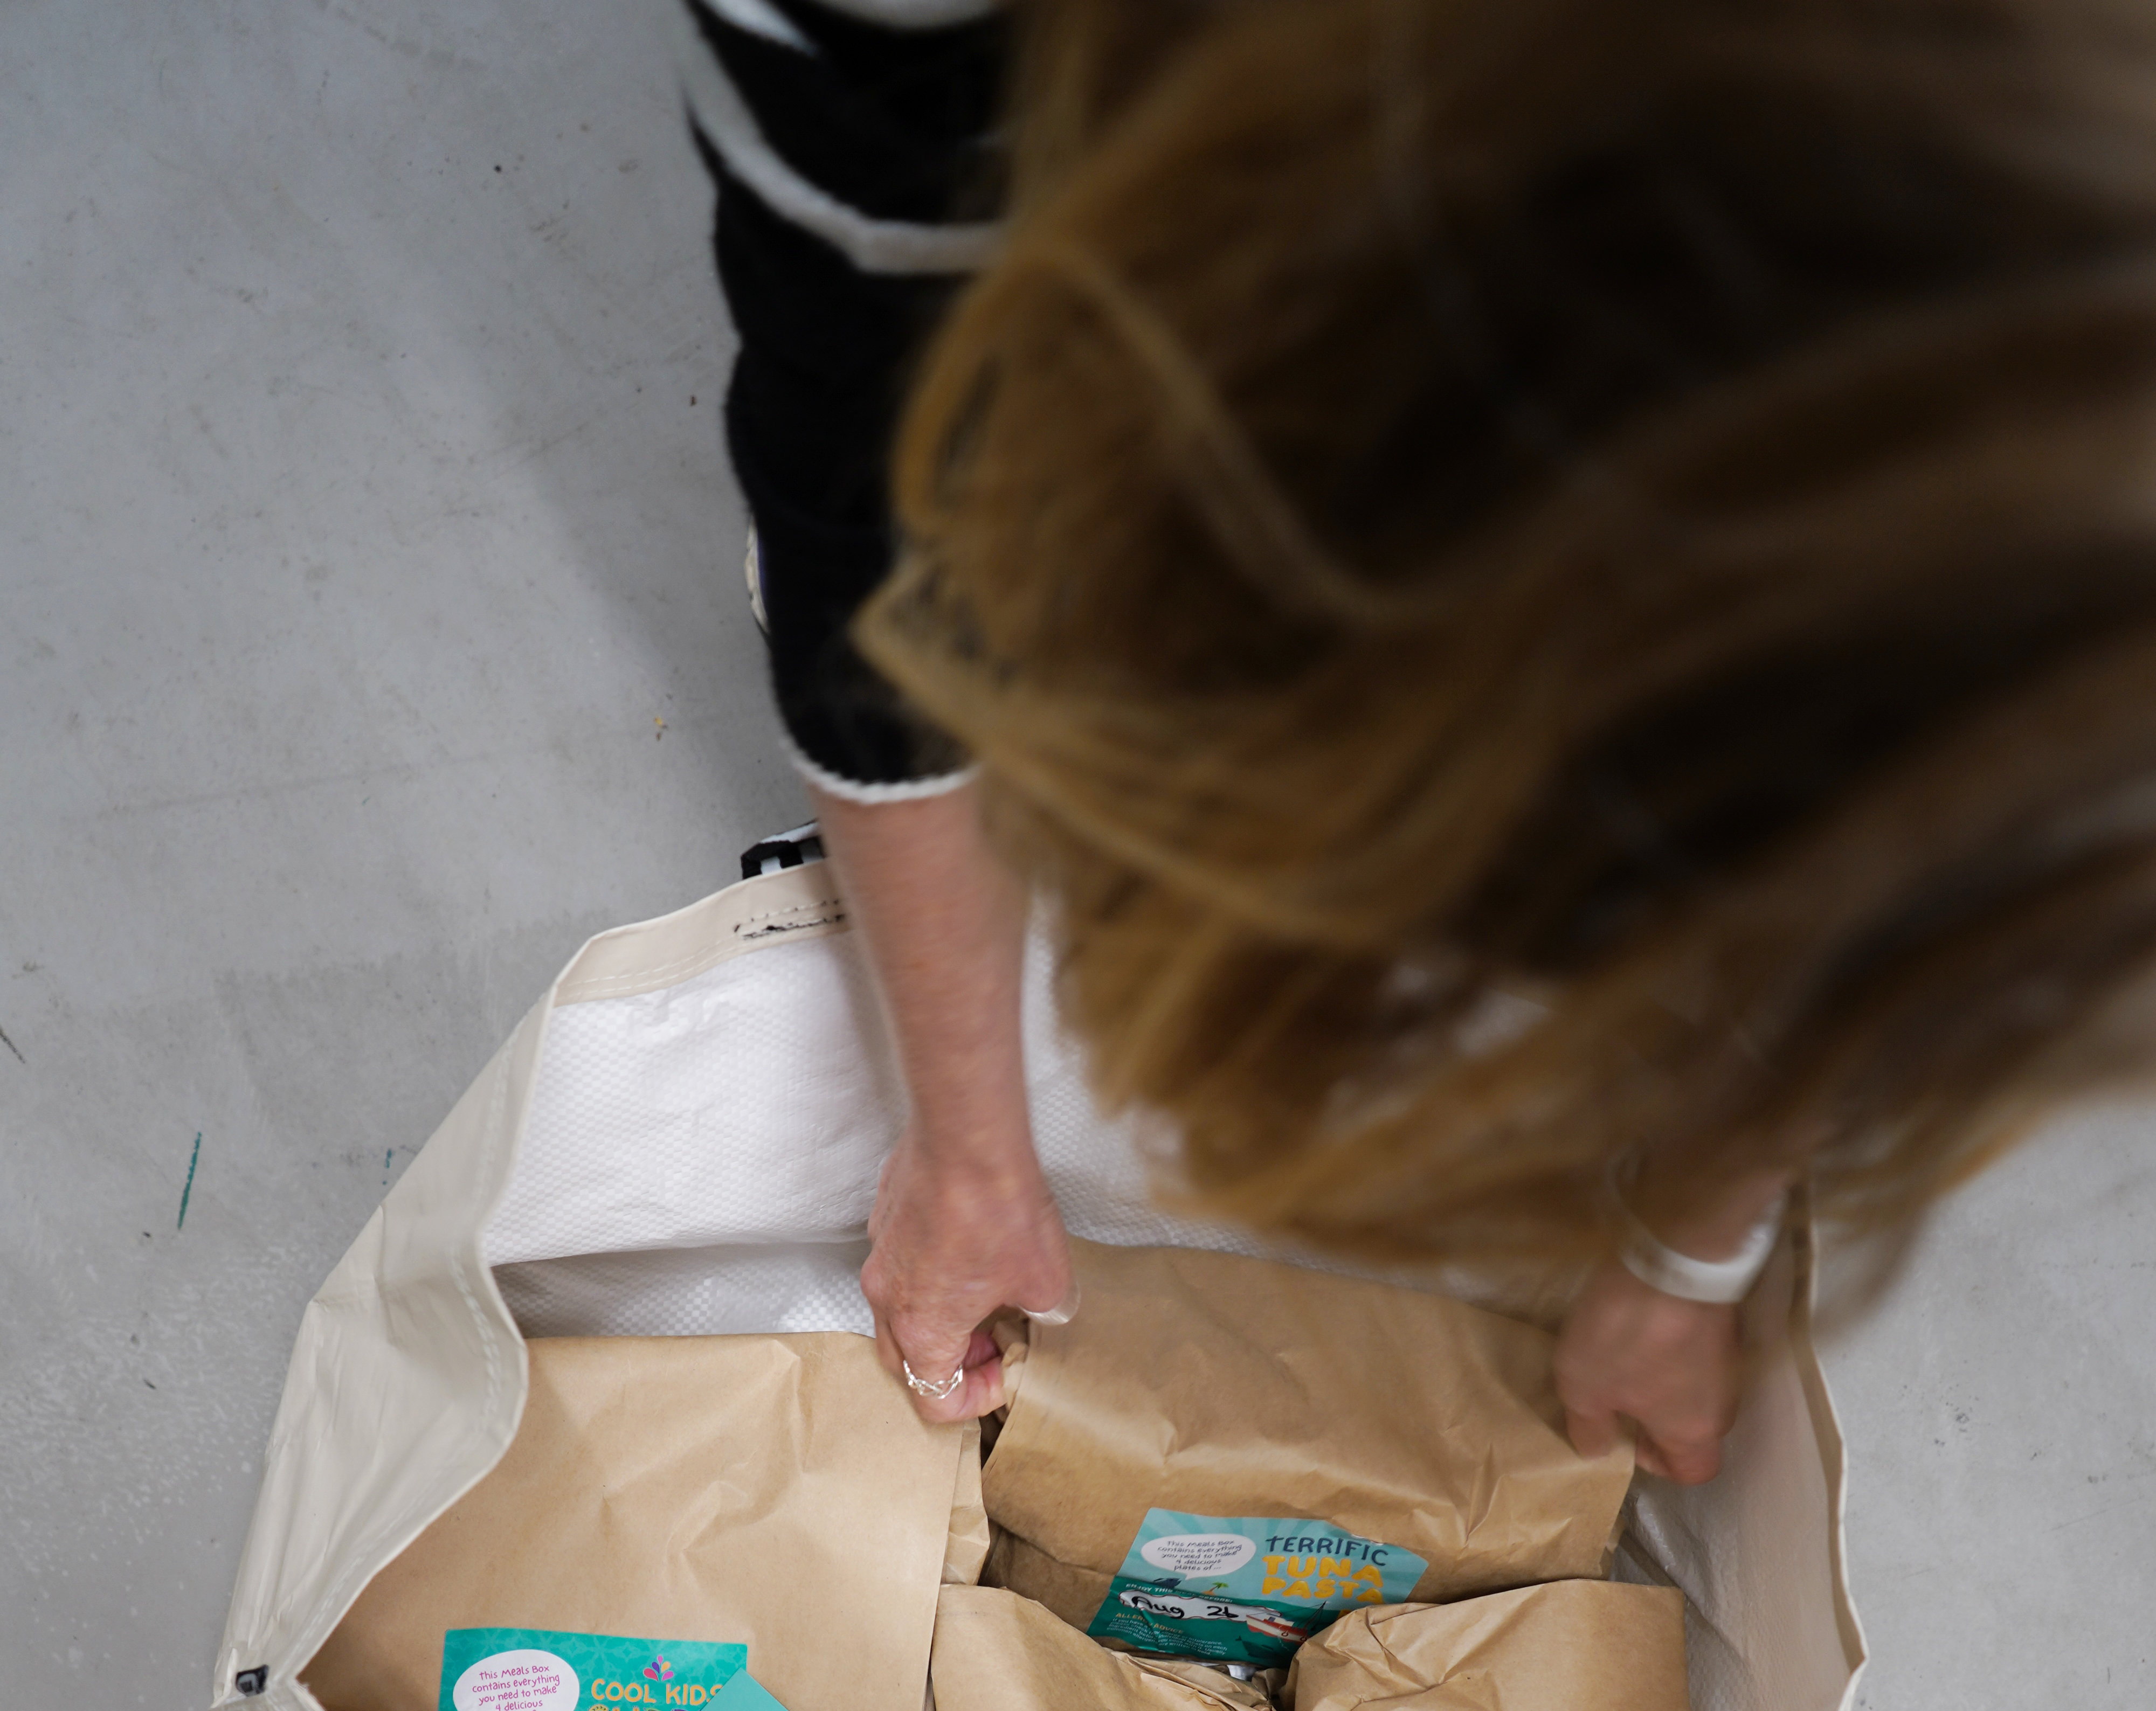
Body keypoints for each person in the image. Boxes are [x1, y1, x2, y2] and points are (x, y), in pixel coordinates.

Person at [685, 0, 2156, 1479]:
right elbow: (875, 556)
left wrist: (1689, 1251)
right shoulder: (908, 43)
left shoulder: (2069, 388)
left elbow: (1897, 851)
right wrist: (966, 1146)